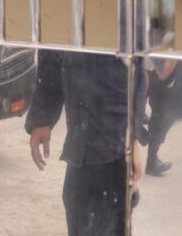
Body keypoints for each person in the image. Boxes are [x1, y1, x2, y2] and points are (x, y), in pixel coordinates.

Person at [26, 50, 144, 236]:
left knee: (104, 217)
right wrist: (43, 116)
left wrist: (130, 139)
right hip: (83, 145)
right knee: (80, 209)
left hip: (112, 143)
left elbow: (136, 70)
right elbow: (54, 46)